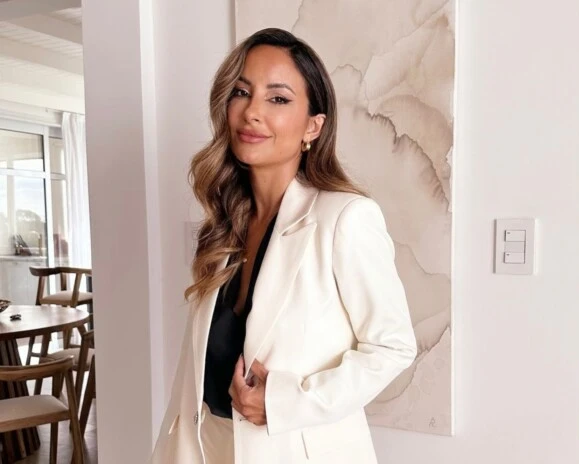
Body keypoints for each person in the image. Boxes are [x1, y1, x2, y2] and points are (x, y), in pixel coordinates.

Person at [151, 28, 417, 464]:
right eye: (242, 92)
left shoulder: (345, 218)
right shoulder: (222, 225)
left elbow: (393, 348)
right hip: (206, 447)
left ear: (313, 126)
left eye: (277, 98)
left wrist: (284, 402)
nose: (252, 112)